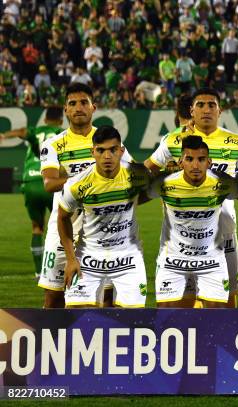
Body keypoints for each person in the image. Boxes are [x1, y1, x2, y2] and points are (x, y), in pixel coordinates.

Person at [144, 88, 238, 308]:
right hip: (181, 236)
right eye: (200, 105)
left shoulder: (235, 142)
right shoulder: (173, 141)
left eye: (211, 105)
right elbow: (145, 171)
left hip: (224, 231)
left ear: (220, 110)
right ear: (191, 110)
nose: (206, 110)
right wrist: (164, 174)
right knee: (182, 301)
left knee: (227, 299)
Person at [38, 83, 132, 308]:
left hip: (104, 231)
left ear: (94, 107)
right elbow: (50, 183)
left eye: (83, 102)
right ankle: (51, 342)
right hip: (62, 227)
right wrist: (91, 179)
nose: (78, 107)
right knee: (53, 296)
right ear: (65, 110)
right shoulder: (53, 144)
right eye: (72, 103)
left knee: (107, 297)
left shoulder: (110, 141)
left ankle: (101, 342)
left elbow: (133, 175)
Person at [59, 126, 149, 308]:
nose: (107, 156)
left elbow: (162, 187)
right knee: (77, 316)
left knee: (132, 319)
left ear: (121, 151)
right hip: (88, 257)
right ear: (93, 152)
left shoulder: (138, 175)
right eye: (101, 150)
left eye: (113, 150)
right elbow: (62, 218)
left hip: (128, 257)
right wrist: (70, 259)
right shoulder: (76, 184)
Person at [150, 136, 238, 308]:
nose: (196, 165)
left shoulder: (222, 183)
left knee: (218, 319)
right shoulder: (165, 183)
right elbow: (132, 195)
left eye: (201, 159)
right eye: (189, 159)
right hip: (174, 260)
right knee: (169, 318)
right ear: (181, 162)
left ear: (209, 162)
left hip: (211, 260)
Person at [0, 106, 63, 277]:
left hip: (30, 182)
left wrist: (4, 135)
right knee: (61, 226)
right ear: (61, 120)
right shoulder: (61, 133)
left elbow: (21, 132)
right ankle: (58, 269)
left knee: (37, 227)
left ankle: (38, 272)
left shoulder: (36, 131)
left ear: (44, 119)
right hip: (51, 182)